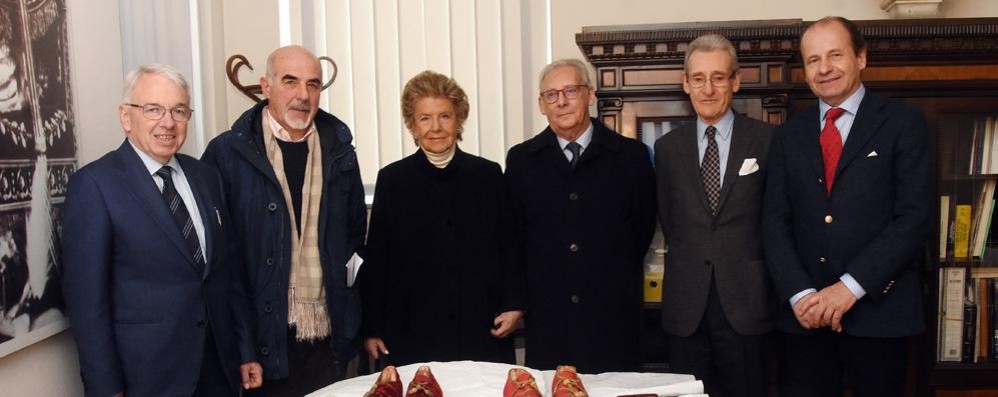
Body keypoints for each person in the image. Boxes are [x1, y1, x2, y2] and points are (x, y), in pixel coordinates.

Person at [61, 64, 262, 396]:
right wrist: (105, 386)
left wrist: (245, 349)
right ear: (126, 117)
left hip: (218, 369)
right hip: (146, 377)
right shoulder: (94, 186)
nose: (167, 122)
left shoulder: (206, 177)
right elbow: (87, 304)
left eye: (178, 111)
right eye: (153, 109)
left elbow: (227, 273)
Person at [762, 16, 932, 397]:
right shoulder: (789, 136)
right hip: (805, 322)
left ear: (861, 58)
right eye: (813, 60)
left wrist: (848, 289)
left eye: (835, 55)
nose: (824, 68)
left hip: (880, 315)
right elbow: (774, 222)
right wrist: (801, 296)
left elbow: (914, 218)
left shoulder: (904, 124)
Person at [202, 45, 367, 396]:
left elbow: (354, 238)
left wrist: (352, 322)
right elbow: (220, 261)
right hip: (260, 339)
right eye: (290, 81)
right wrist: (243, 344)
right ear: (266, 86)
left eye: (313, 84)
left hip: (328, 336)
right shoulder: (227, 154)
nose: (303, 95)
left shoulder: (340, 152)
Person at [360, 71, 526, 366]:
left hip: (481, 330)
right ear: (412, 125)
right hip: (411, 334)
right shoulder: (392, 180)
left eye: (445, 116)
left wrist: (515, 306)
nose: (435, 128)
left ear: (459, 120)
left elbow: (510, 248)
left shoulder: (488, 175)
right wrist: (372, 329)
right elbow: (378, 262)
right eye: (425, 118)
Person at [505, 59, 656, 373]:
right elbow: (514, 237)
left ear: (590, 95)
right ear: (541, 104)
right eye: (551, 95)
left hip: (612, 314)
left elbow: (641, 230)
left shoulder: (632, 157)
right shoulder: (522, 160)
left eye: (570, 91)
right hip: (550, 317)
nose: (561, 101)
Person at [654, 34, 775, 397]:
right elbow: (670, 221)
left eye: (719, 77)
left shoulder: (768, 140)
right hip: (686, 306)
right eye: (699, 78)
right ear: (686, 83)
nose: (708, 88)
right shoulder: (666, 148)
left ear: (735, 81)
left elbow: (776, 220)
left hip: (746, 303)